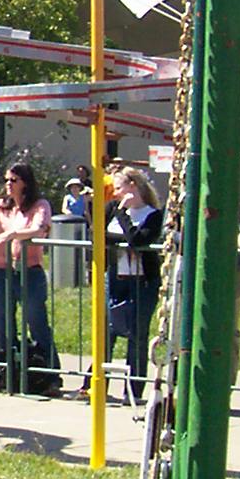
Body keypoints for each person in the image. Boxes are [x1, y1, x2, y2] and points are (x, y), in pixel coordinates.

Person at [0, 162, 59, 395]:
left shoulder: (40, 205)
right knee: (5, 324)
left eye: (14, 180)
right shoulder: (2, 206)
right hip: (2, 271)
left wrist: (12, 235)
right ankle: (10, 375)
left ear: (25, 182)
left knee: (36, 322)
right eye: (6, 180)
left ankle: (50, 375)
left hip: (29, 271)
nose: (8, 185)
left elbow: (39, 229)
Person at [104, 164, 164, 405]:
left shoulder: (153, 214)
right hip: (116, 278)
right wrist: (123, 235)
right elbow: (98, 235)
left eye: (118, 188)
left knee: (137, 334)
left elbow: (138, 239)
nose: (115, 194)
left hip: (142, 282)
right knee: (108, 331)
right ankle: (97, 385)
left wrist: (123, 216)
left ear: (133, 186)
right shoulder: (112, 209)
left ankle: (133, 391)